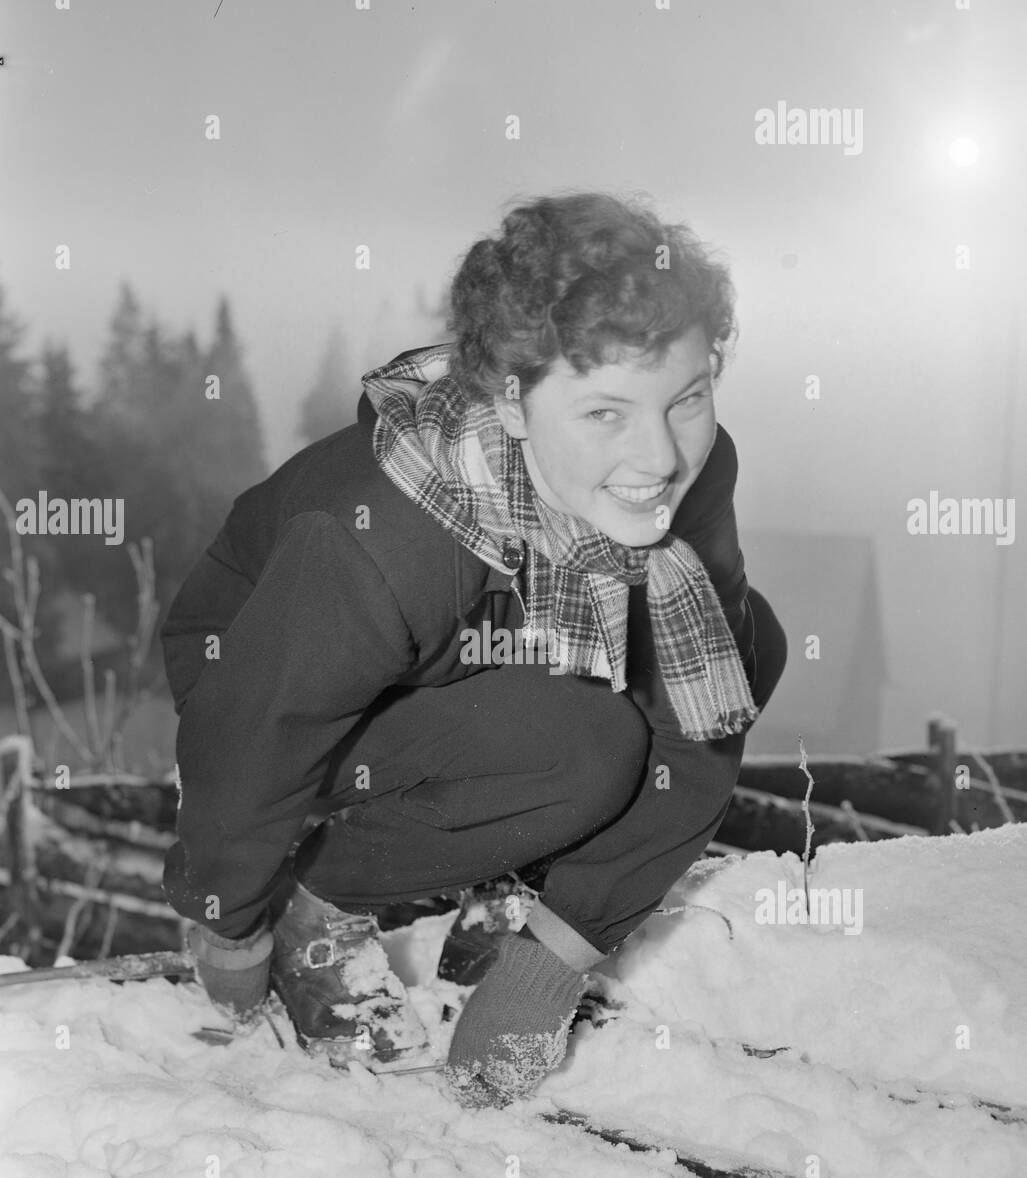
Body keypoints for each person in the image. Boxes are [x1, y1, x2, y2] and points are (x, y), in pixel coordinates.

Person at [160, 191, 787, 1108]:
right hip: (273, 685)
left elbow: (700, 723)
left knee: (737, 643)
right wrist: (230, 923)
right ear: (512, 401)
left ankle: (513, 877)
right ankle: (324, 902)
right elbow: (254, 733)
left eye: (686, 399)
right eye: (604, 413)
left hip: (486, 657)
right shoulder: (376, 538)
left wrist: (554, 960)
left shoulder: (684, 475)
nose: (658, 456)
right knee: (586, 751)